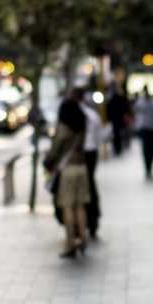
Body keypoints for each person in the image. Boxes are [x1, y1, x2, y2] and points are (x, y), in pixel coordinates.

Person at [44, 93, 91, 258]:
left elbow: (55, 149)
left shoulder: (64, 127)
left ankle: (70, 243)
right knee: (80, 206)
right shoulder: (82, 125)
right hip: (82, 168)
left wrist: (48, 161)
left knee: (67, 207)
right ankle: (83, 240)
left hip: (68, 170)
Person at [78, 88, 103, 238]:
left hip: (83, 153)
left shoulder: (81, 114)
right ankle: (92, 220)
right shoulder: (92, 115)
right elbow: (98, 138)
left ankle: (90, 220)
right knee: (90, 185)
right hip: (91, 151)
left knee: (85, 187)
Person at [133, 88, 153, 179]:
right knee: (146, 150)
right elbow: (135, 112)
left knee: (152, 150)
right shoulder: (140, 103)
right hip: (145, 129)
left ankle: (150, 168)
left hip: (152, 128)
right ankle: (147, 169)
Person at [106, 82, 131, 156]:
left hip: (117, 119)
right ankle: (118, 147)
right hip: (117, 119)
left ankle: (118, 147)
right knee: (118, 134)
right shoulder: (117, 98)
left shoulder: (115, 99)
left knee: (117, 134)